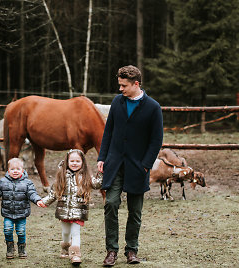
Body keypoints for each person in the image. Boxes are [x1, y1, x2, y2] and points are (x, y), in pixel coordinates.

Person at [97, 65, 163, 266]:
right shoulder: (117, 102)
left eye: (124, 85)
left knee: (135, 210)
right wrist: (102, 157)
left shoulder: (153, 107)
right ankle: (111, 251)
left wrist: (146, 165)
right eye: (119, 85)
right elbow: (108, 131)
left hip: (138, 166)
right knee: (111, 203)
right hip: (114, 163)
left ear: (136, 84)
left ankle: (131, 250)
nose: (120, 89)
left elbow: (156, 140)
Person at [39, 149, 103, 265]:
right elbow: (54, 193)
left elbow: (97, 184)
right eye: (72, 161)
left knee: (75, 233)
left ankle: (75, 255)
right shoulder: (62, 176)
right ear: (67, 162)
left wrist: (102, 173)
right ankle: (65, 247)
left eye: (77, 161)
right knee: (66, 233)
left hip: (79, 210)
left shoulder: (86, 177)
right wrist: (45, 201)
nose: (74, 163)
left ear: (82, 162)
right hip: (64, 210)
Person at [0, 158, 44, 259]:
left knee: (21, 231)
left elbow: (32, 193)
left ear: (22, 170)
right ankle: (10, 247)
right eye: (12, 169)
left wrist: (37, 200)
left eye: (18, 169)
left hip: (21, 213)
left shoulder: (27, 183)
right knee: (7, 230)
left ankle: (21, 249)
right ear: (8, 171)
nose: (15, 171)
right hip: (8, 213)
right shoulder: (3, 181)